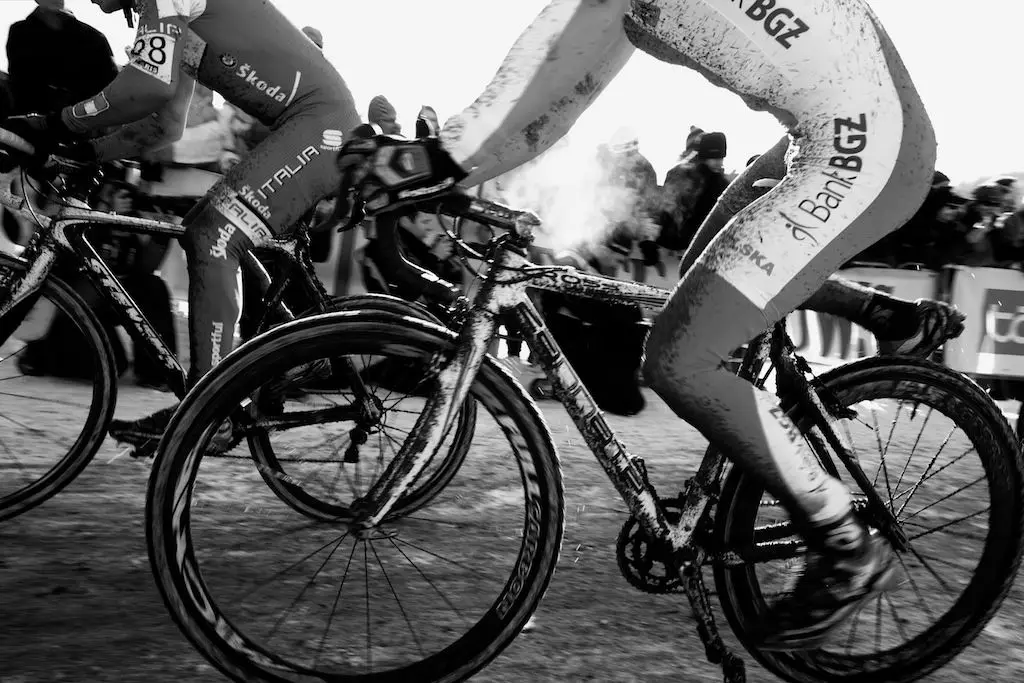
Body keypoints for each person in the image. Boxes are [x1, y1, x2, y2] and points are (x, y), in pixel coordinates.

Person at [332, 0, 964, 650]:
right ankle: (882, 313)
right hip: (831, 126)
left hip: (861, 143)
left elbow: (540, 90)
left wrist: (421, 161)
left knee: (682, 358)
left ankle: (845, 545)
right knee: (702, 275)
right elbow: (549, 100)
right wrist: (437, 163)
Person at [0, 0, 361, 449]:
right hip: (306, 122)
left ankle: (214, 410)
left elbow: (146, 86)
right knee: (204, 230)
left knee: (213, 234)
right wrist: (85, 151)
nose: (91, 0)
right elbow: (163, 126)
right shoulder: (176, 18)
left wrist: (57, 124)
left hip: (319, 124)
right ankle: (285, 357)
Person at [6, 0, 119, 115]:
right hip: (30, 122)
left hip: (83, 124)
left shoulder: (94, 38)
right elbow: (20, 86)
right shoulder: (20, 33)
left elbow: (111, 94)